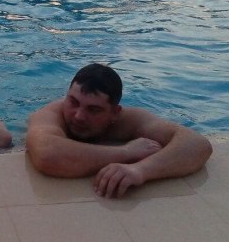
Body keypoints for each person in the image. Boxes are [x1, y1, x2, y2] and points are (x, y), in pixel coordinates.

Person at [26, 63, 212, 198]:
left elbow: (197, 144)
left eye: (93, 110)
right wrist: (126, 152)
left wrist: (140, 171)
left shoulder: (130, 120)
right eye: (73, 102)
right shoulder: (51, 114)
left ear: (115, 113)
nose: (79, 116)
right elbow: (47, 154)